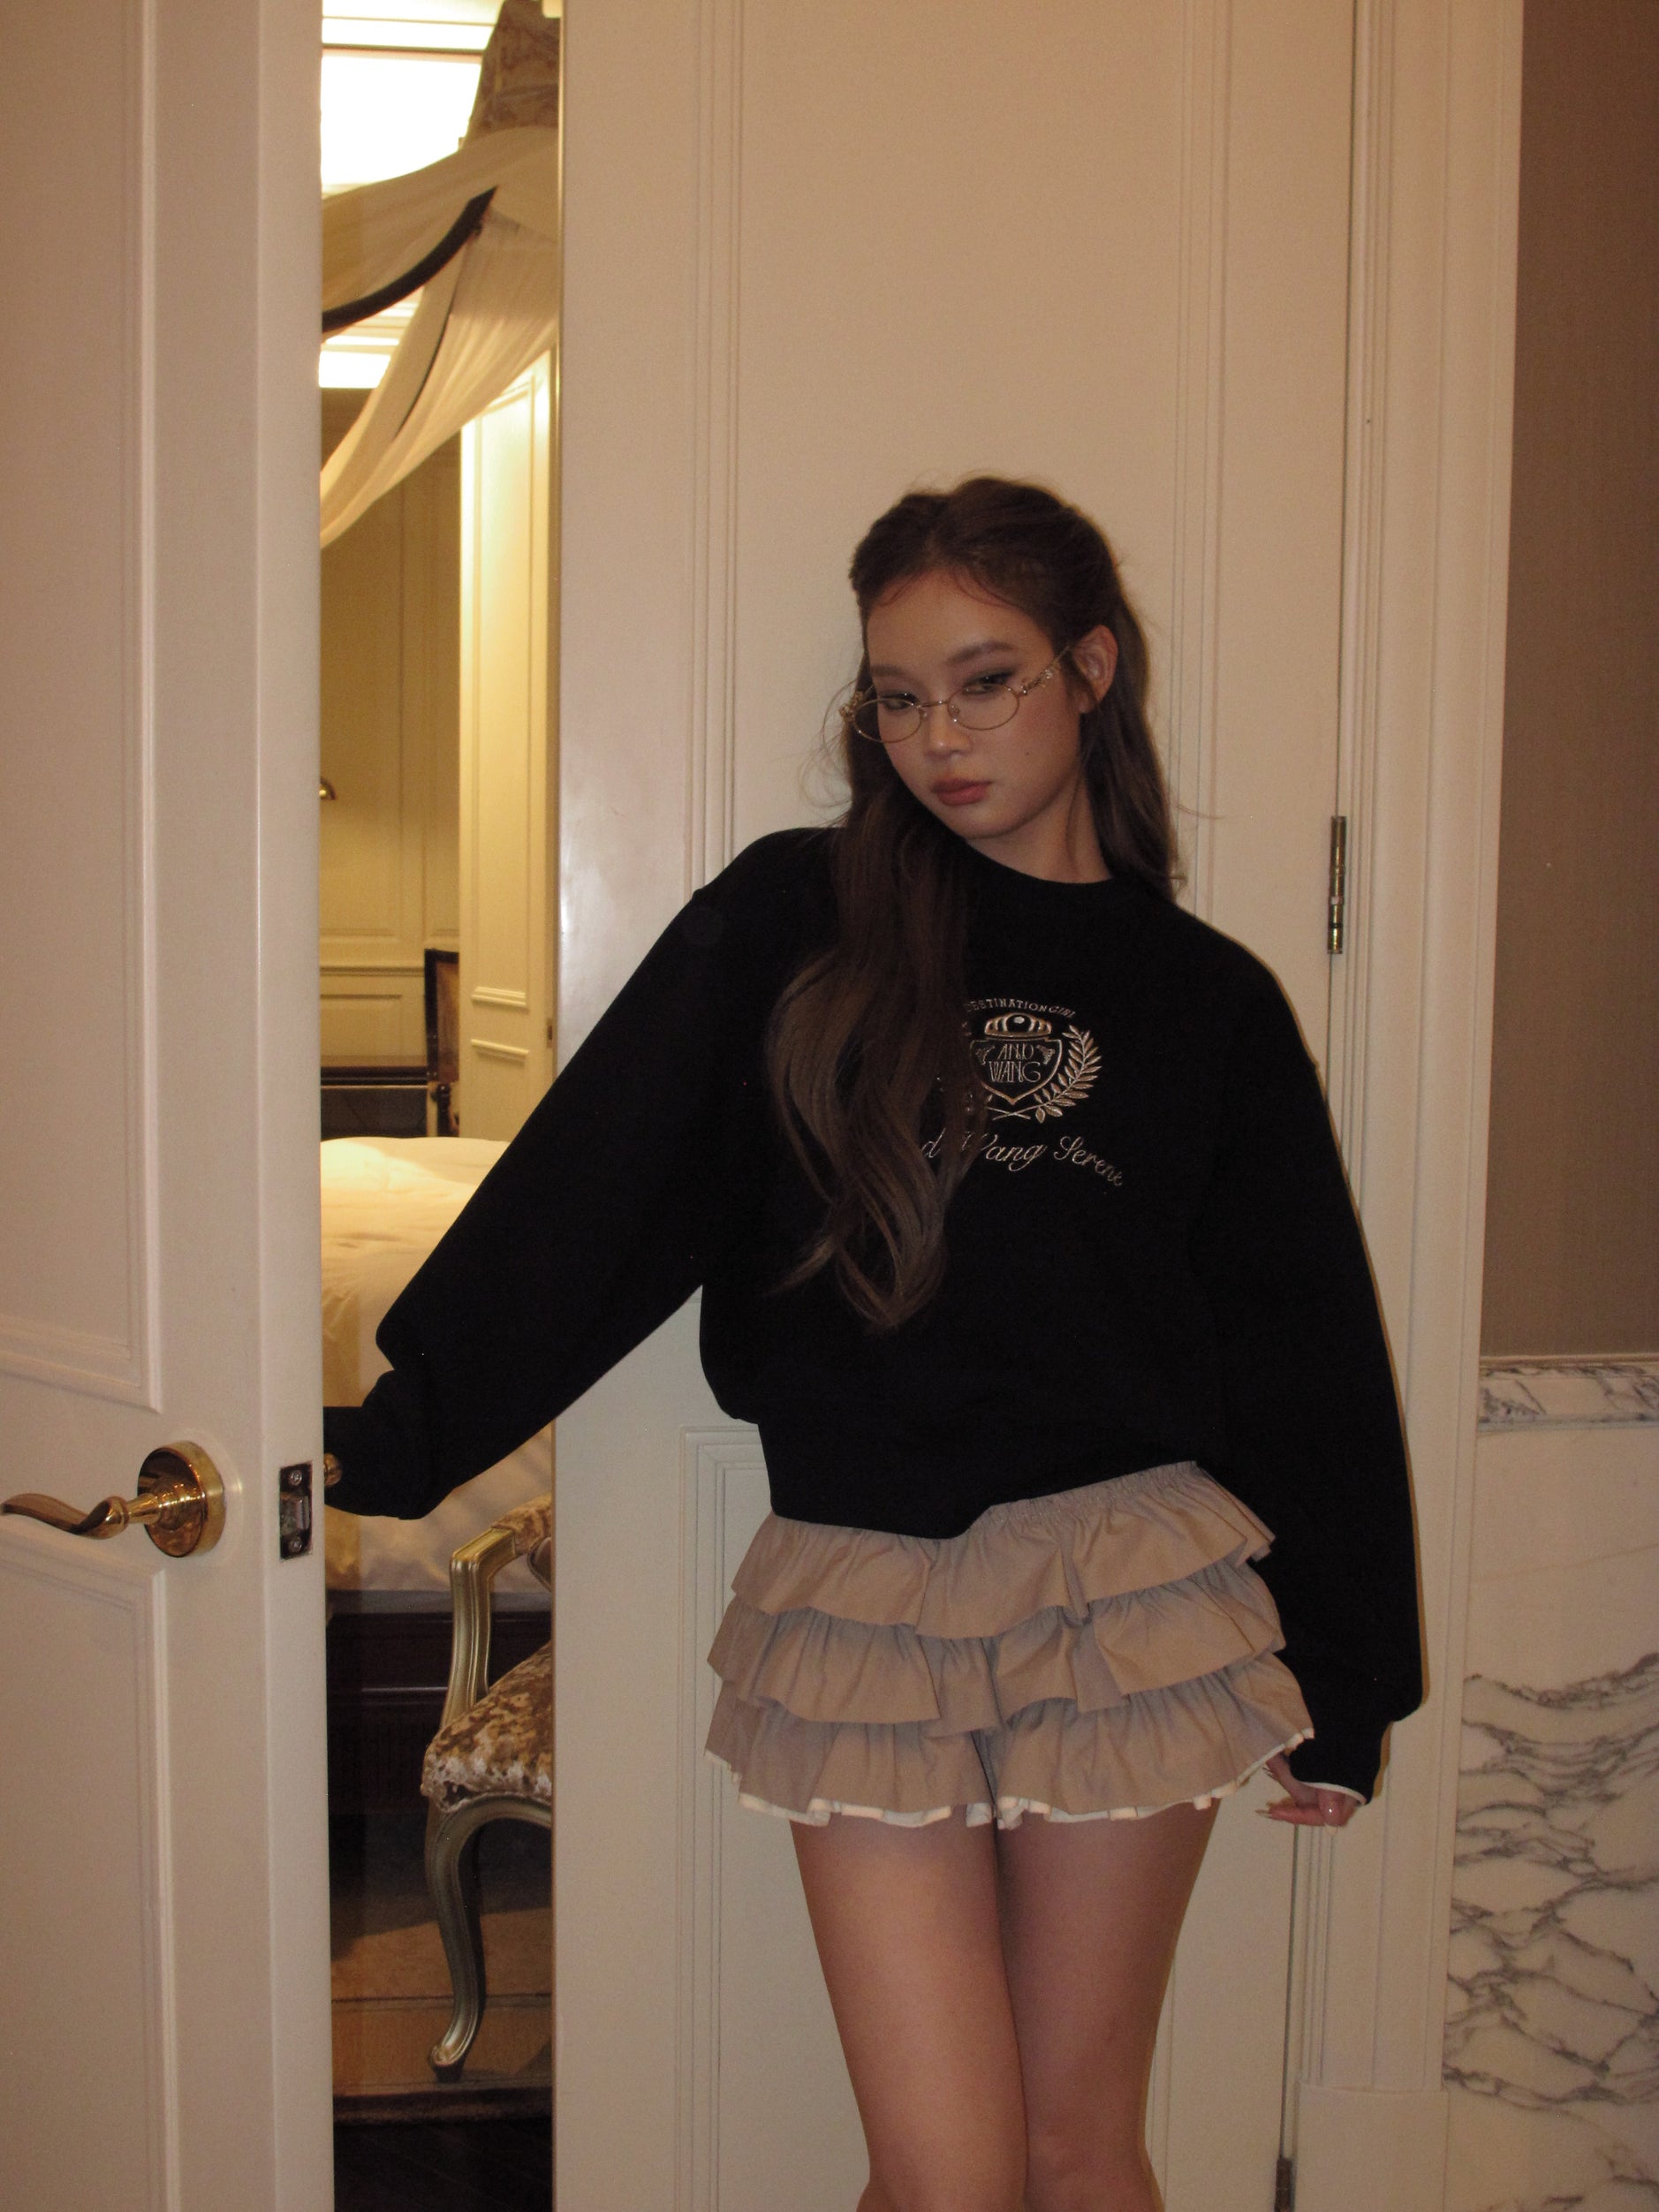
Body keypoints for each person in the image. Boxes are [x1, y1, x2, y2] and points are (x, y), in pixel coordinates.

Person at [326, 476, 1422, 2212]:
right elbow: (601, 1190)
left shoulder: (1205, 997)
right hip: (862, 1592)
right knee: (944, 2168)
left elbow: (1301, 1342)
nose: (938, 739)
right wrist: (404, 1427)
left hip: (1123, 1589)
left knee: (1075, 2151)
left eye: (985, 683)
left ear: (1092, 668)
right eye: (898, 698)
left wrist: (1348, 1675)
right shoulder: (797, 919)